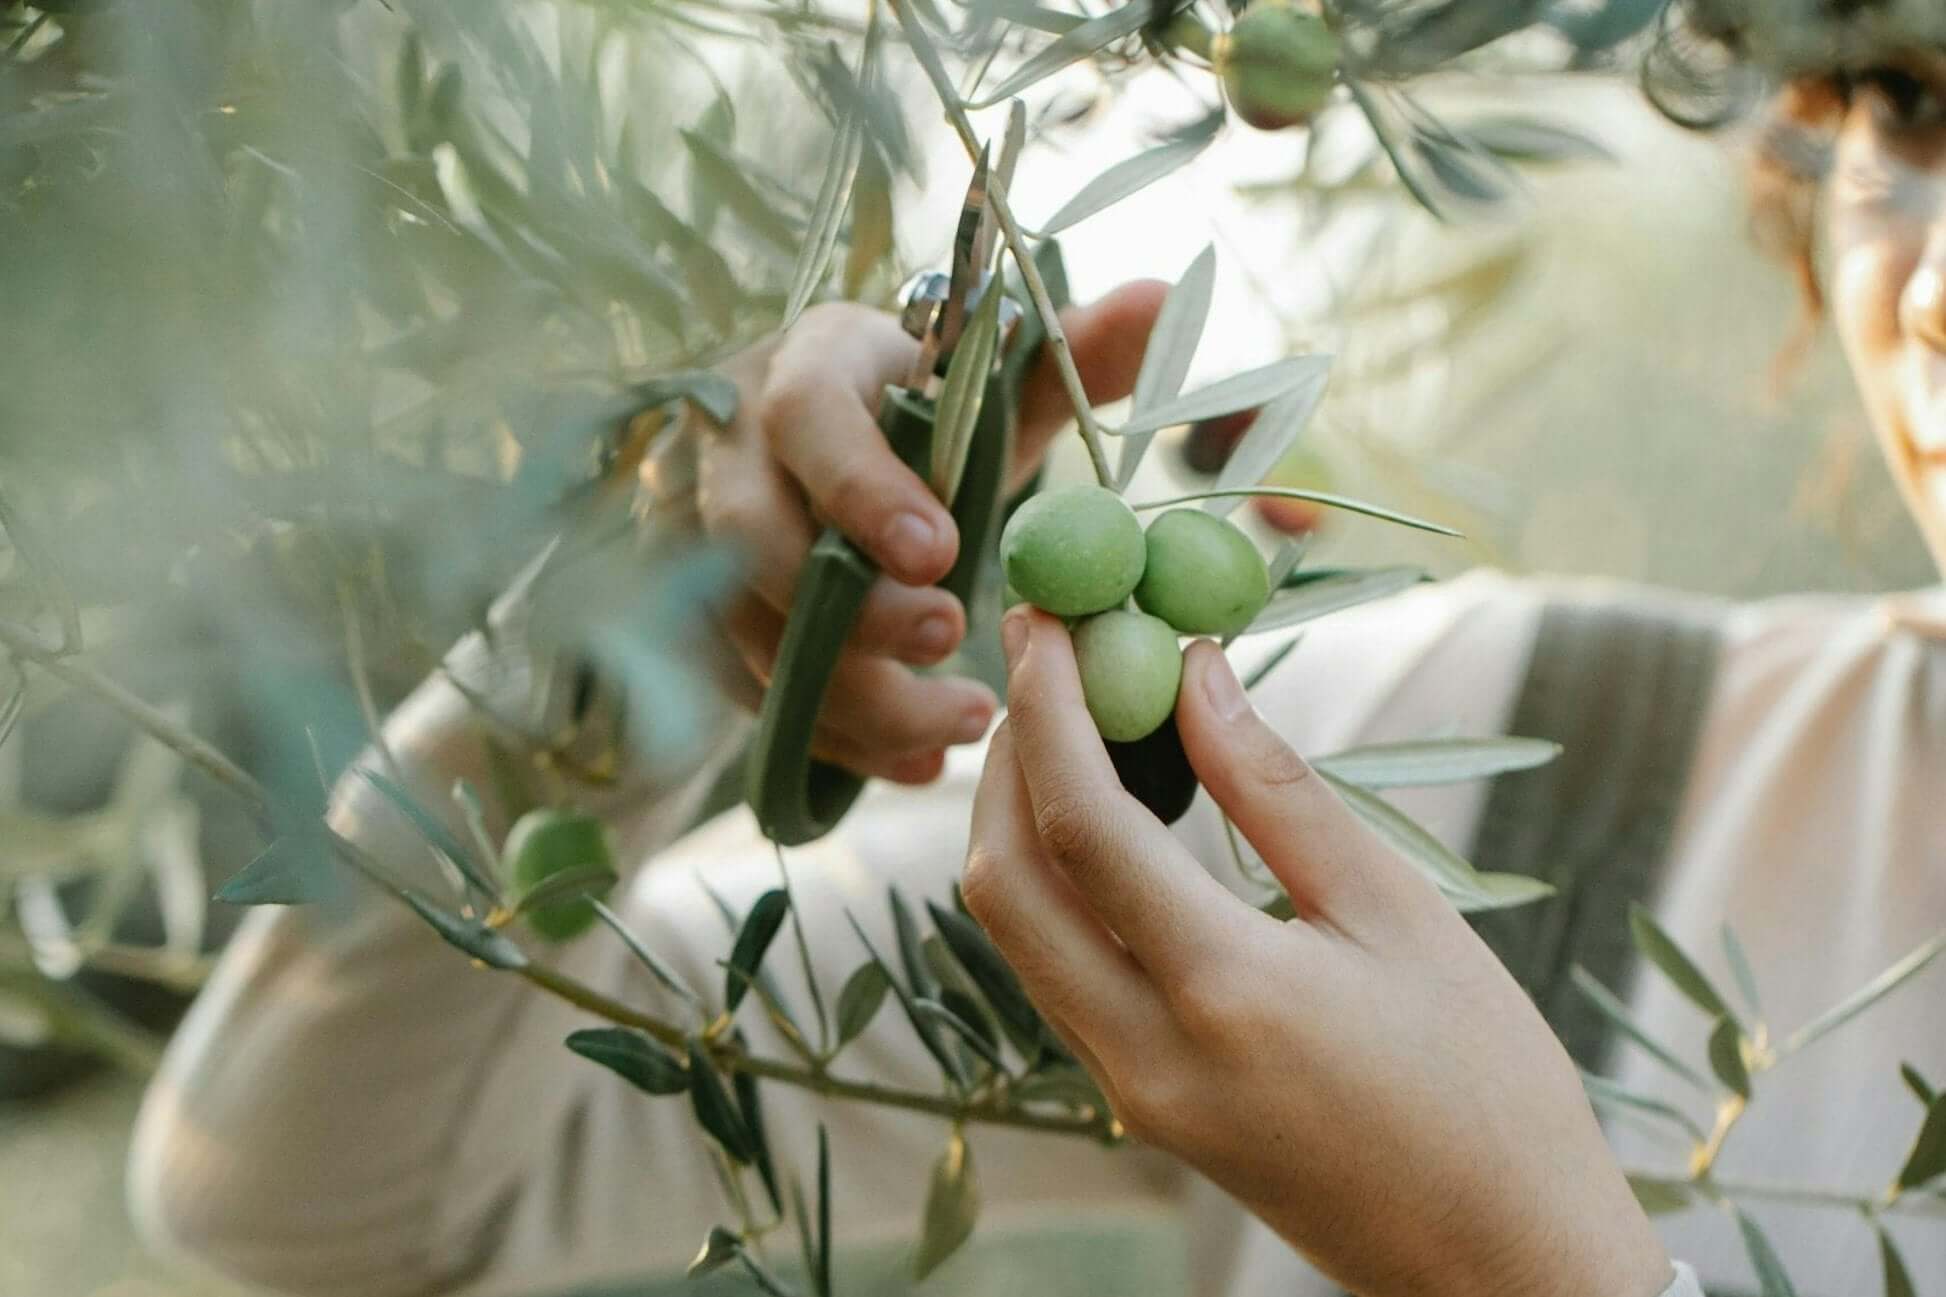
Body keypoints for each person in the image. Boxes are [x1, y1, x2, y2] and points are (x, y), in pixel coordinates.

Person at [127, 10, 1946, 1297]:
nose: (1929, 279)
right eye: (1911, 101)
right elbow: (309, 1200)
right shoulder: (1478, 757)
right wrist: (643, 639)